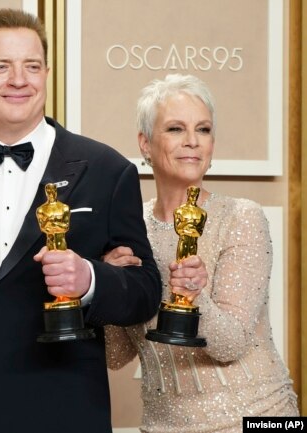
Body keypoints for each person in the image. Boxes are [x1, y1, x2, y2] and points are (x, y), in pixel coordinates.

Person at [0, 8, 162, 433]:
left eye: (31, 66)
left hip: (61, 408)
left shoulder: (106, 169)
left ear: (47, 73)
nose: (19, 80)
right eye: (1, 67)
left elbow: (145, 292)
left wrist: (90, 279)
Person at [103, 73, 299, 432]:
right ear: (145, 143)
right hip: (163, 425)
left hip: (256, 417)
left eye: (204, 129)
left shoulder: (241, 217)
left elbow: (231, 344)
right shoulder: (128, 231)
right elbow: (116, 356)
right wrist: (109, 287)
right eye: (176, 129)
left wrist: (195, 298)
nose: (192, 141)